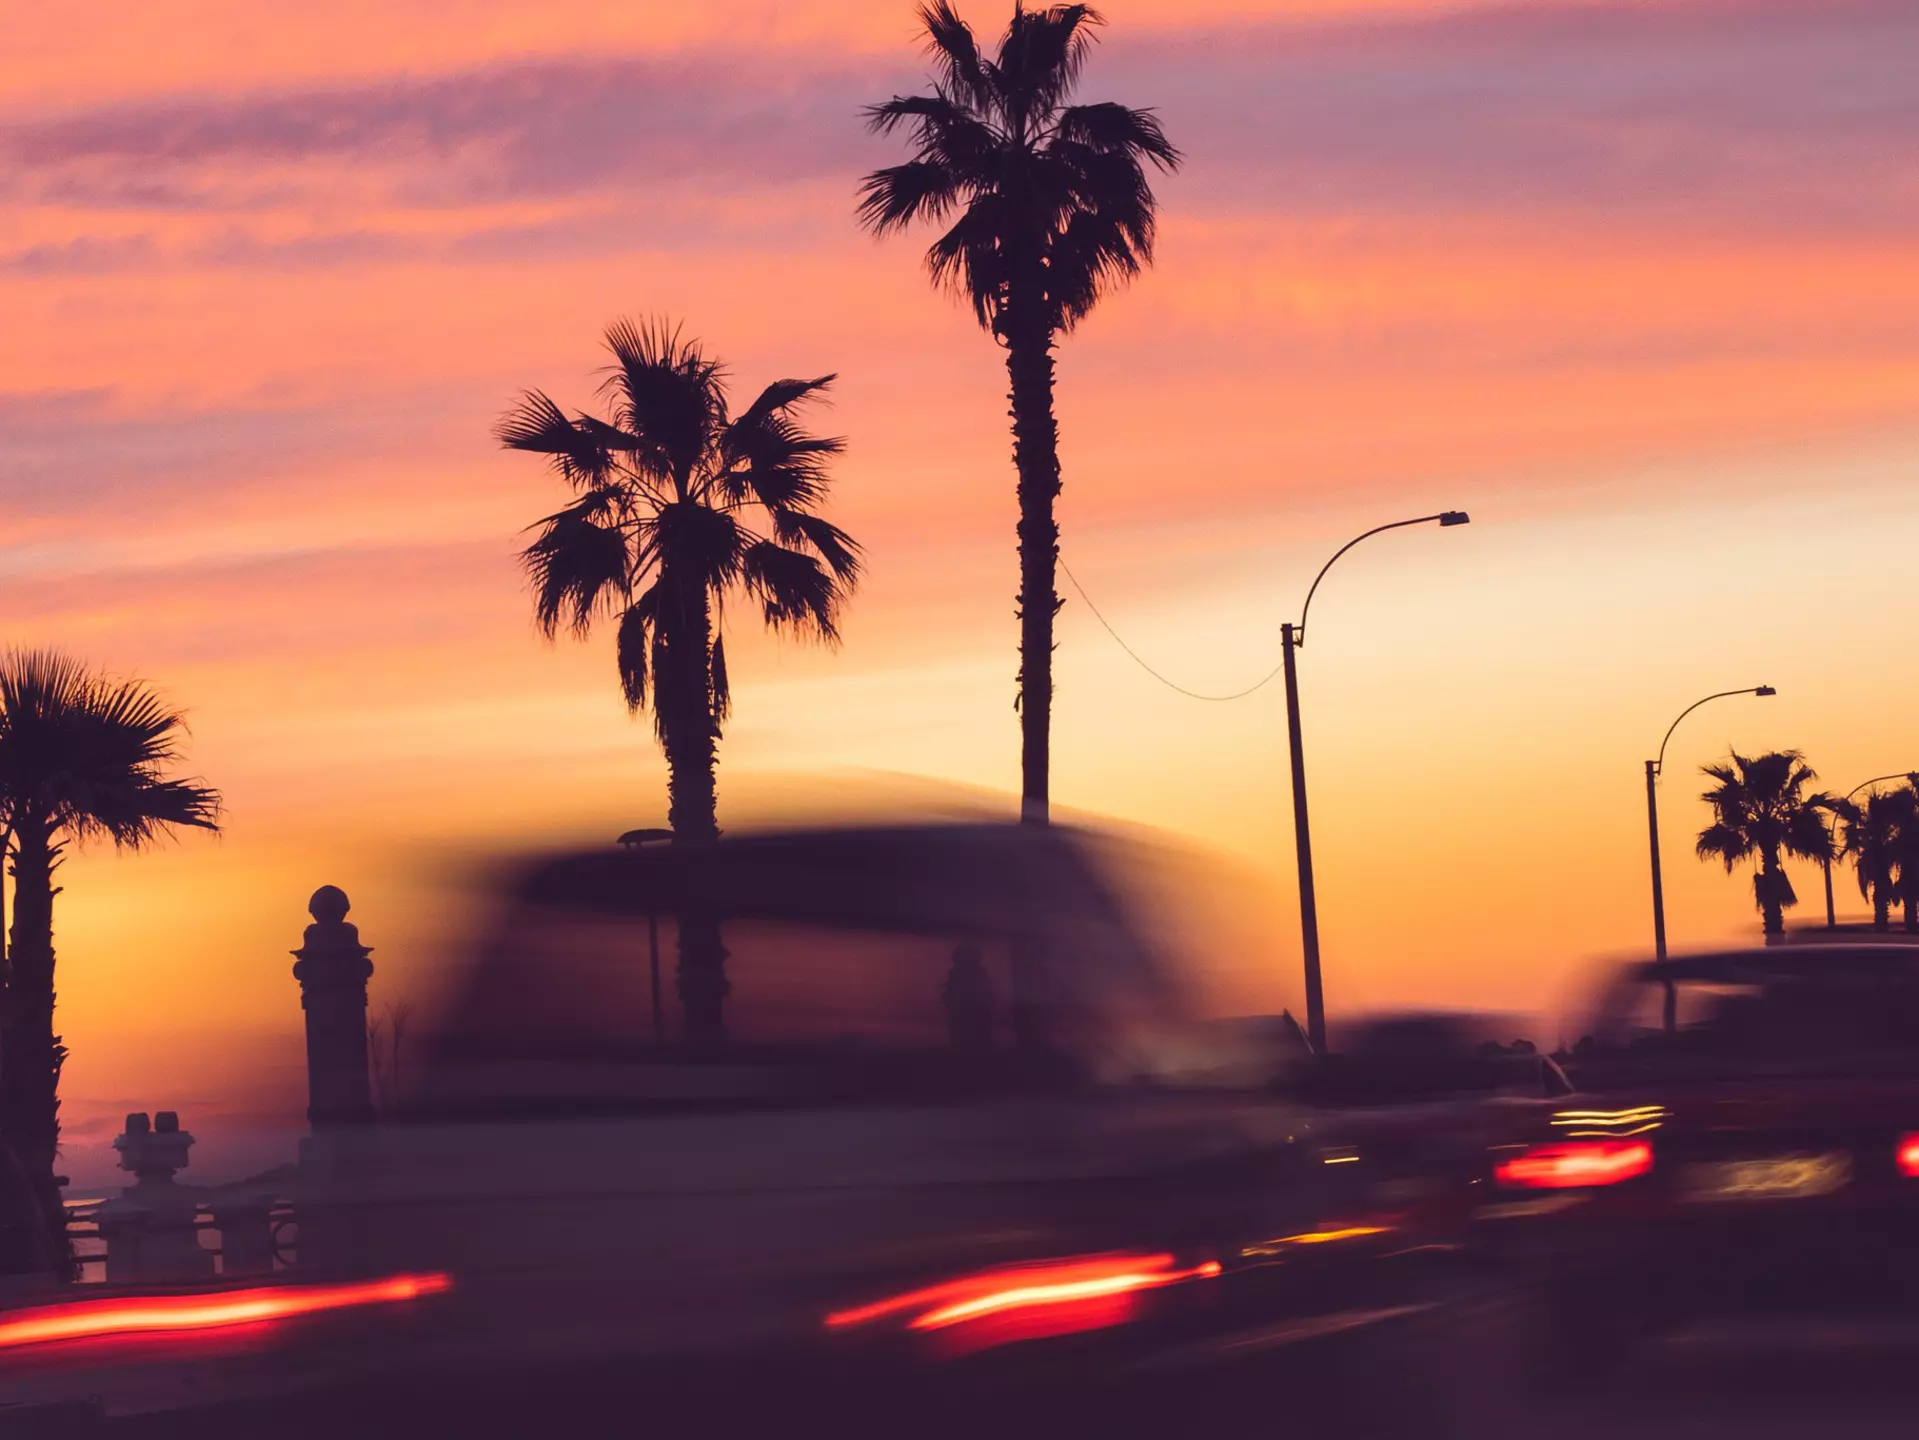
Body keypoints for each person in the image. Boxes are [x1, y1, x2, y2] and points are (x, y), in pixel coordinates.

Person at [942, 944, 995, 1054]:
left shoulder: (957, 974)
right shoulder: (977, 974)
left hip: (970, 1017)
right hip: (967, 1017)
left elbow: (950, 995)